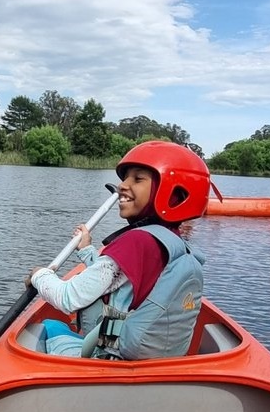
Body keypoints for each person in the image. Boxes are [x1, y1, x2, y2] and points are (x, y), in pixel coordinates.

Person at [25, 140, 209, 360]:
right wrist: (87, 251)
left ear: (172, 194)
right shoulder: (174, 244)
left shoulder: (136, 242)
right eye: (125, 178)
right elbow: (122, 281)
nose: (122, 185)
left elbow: (69, 298)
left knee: (47, 327)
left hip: (109, 358)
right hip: (148, 361)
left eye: (138, 178)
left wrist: (39, 275)